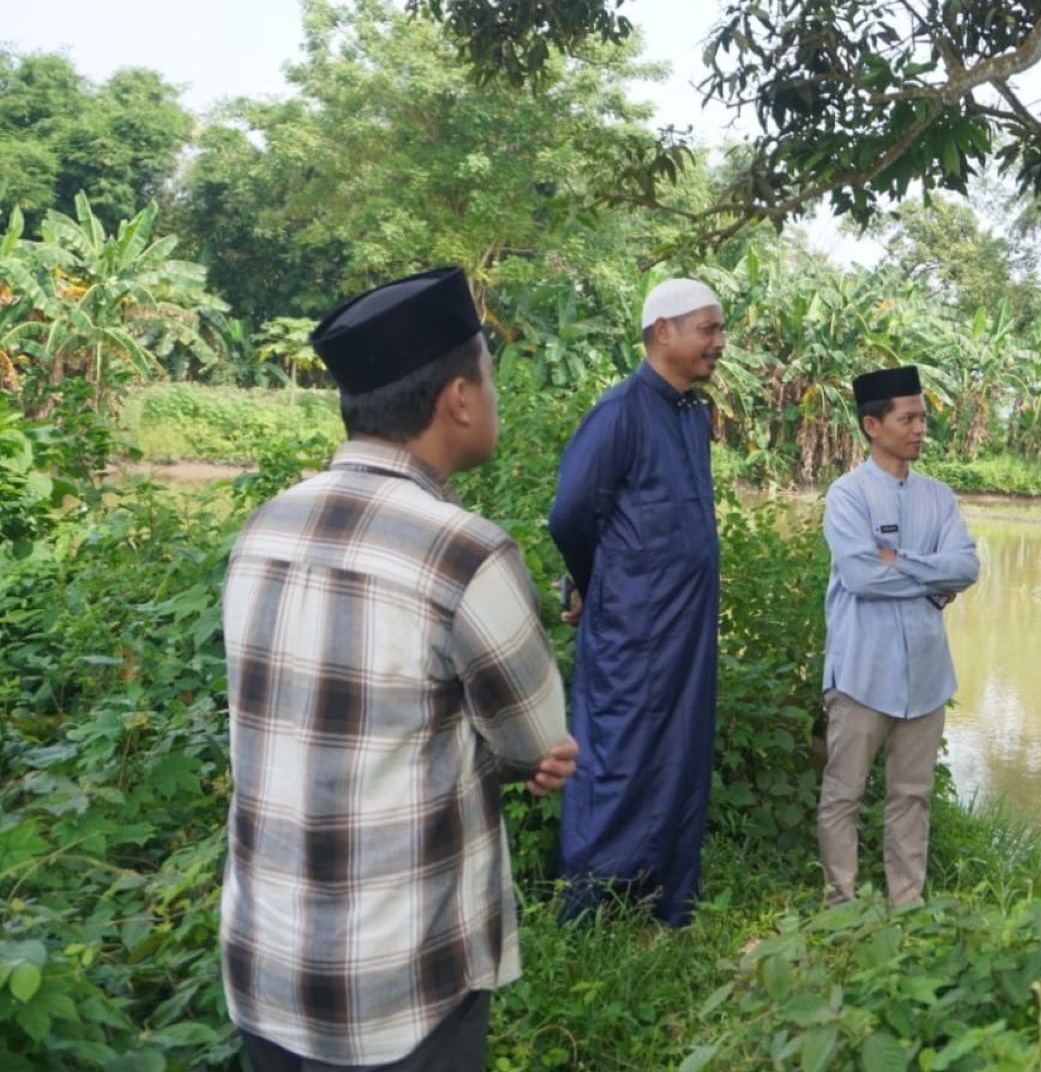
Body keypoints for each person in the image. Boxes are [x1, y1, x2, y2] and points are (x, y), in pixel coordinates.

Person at [221, 266, 578, 1070]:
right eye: (488, 376)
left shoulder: (264, 528)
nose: (491, 395)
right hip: (402, 989)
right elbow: (540, 739)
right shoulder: (464, 552)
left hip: (263, 970)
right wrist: (512, 752)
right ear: (458, 397)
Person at [549, 278, 725, 926]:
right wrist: (593, 585)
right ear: (663, 332)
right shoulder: (620, 411)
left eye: (718, 329)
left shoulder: (694, 415)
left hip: (688, 630)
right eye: (706, 328)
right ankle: (590, 908)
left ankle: (667, 900)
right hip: (632, 628)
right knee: (616, 758)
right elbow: (570, 514)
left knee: (681, 755)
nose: (718, 342)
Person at [818, 366, 980, 907]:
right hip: (863, 671)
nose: (918, 429)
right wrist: (931, 577)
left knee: (912, 796)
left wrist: (901, 562)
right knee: (843, 794)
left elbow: (966, 567)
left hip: (927, 675)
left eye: (922, 418)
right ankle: (840, 904)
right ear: (872, 425)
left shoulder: (938, 497)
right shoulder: (848, 496)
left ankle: (905, 905)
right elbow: (862, 576)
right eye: (907, 418)